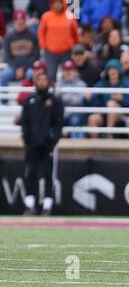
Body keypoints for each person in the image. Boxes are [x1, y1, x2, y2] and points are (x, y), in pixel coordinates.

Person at [22, 71, 64, 215]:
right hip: (32, 144)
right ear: (34, 82)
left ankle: (47, 205)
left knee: (47, 174)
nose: (41, 82)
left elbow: (58, 123)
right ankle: (30, 205)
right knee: (30, 173)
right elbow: (25, 123)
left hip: (47, 145)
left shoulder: (55, 101)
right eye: (38, 79)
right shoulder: (29, 101)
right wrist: (27, 140)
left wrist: (53, 140)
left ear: (49, 82)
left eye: (44, 79)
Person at [38, 0, 79, 80]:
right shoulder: (46, 16)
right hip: (50, 51)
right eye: (55, 2)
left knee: (68, 74)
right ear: (51, 4)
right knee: (51, 75)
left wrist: (74, 46)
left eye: (59, 2)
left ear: (63, 2)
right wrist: (43, 46)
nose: (57, 5)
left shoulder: (70, 16)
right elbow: (41, 32)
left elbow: (75, 33)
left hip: (67, 51)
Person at [0, 11, 40, 104]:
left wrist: (24, 69)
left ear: (25, 21)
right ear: (14, 21)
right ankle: (4, 102)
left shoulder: (32, 35)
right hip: (13, 68)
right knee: (3, 75)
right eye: (17, 20)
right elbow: (7, 57)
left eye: (22, 20)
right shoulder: (9, 36)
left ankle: (31, 101)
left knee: (33, 75)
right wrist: (16, 69)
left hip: (28, 68)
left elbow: (36, 55)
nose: (20, 22)